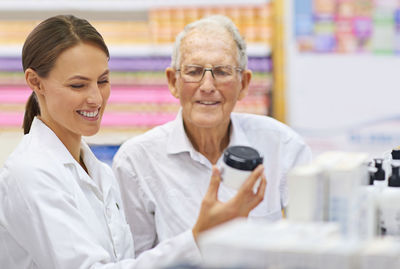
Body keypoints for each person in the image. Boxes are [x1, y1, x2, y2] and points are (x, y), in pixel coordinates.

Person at [0, 15, 266, 269]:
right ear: (36, 82)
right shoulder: (30, 174)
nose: (96, 98)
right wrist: (196, 237)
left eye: (103, 81)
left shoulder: (99, 171)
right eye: (78, 86)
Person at [112, 15, 312, 257]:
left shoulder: (283, 146)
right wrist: (197, 237)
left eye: (222, 71)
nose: (207, 86)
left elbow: (313, 243)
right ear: (173, 82)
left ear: (244, 83)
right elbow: (132, 261)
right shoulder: (137, 160)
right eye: (194, 71)